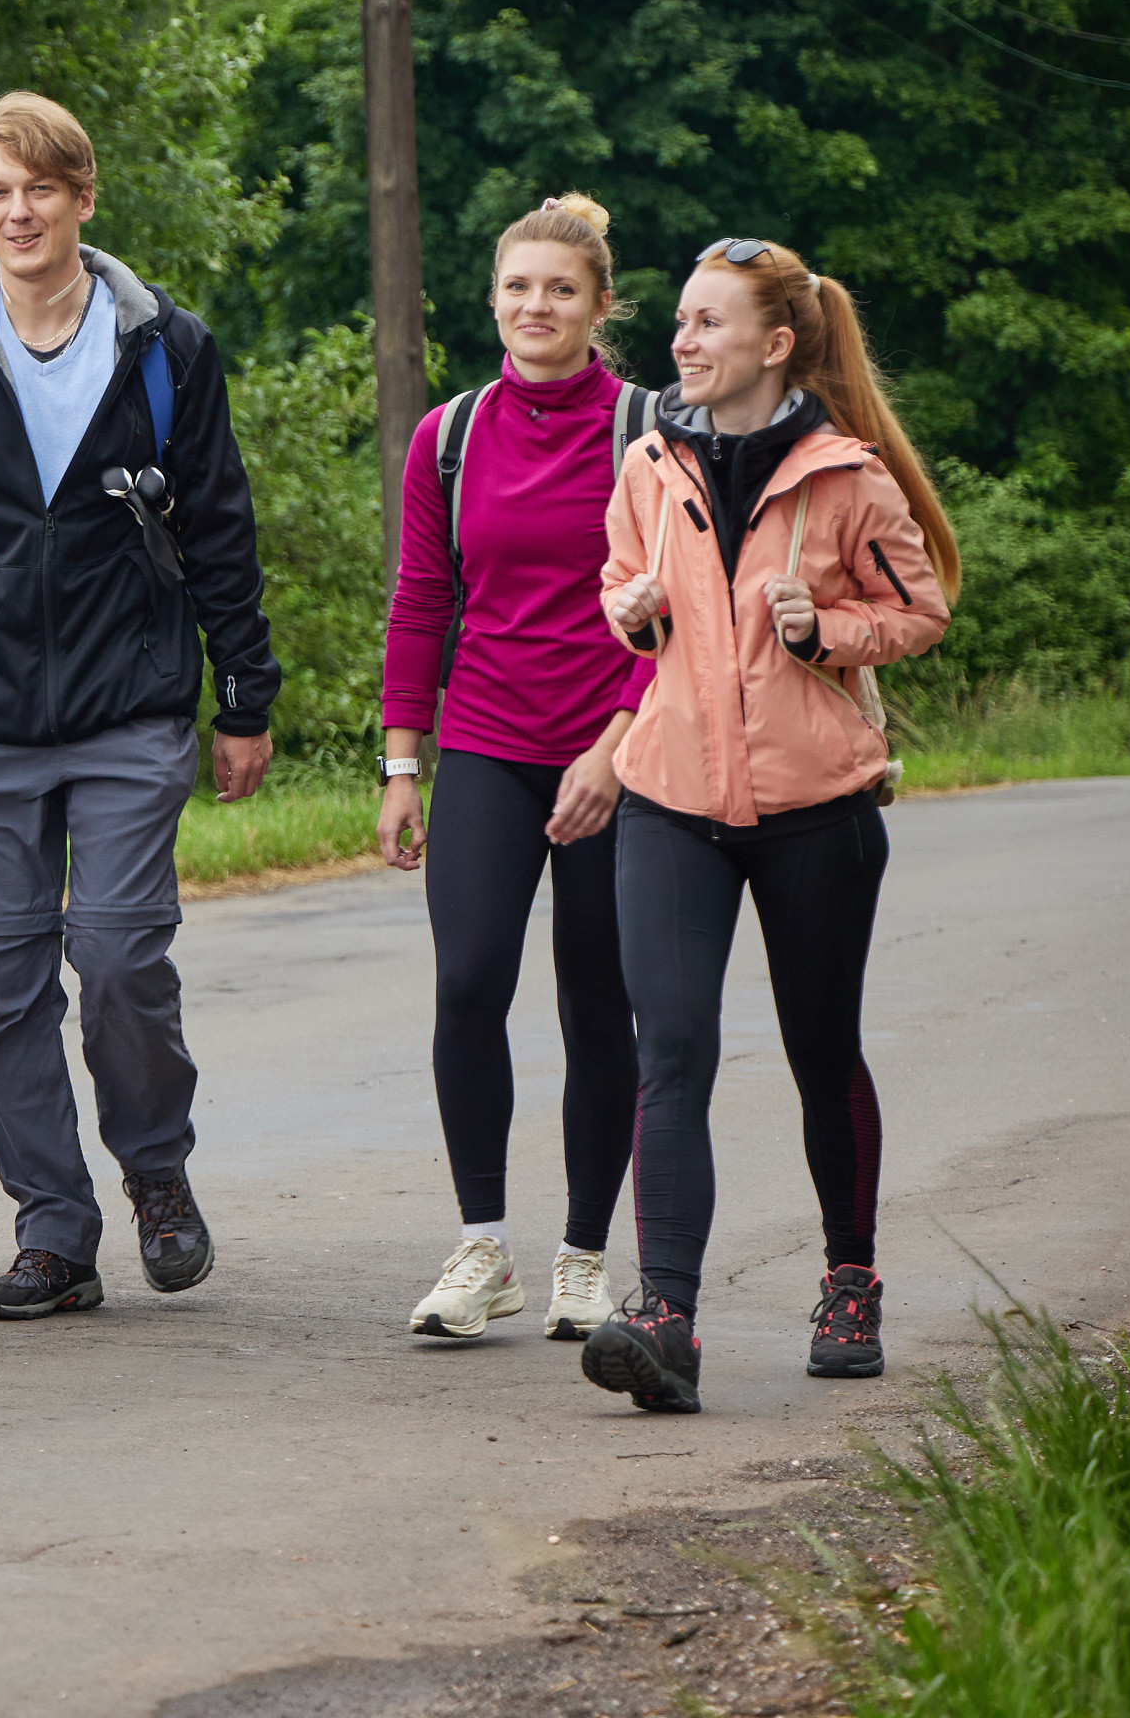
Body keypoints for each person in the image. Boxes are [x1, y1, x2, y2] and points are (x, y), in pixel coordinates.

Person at [0, 92, 280, 1321]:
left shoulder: (163, 346)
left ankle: (156, 1173)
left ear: (83, 195)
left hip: (131, 701)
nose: (17, 210)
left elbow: (222, 529)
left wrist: (245, 696)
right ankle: (52, 1228)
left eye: (39, 186)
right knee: (6, 984)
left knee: (120, 952)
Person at [583, 237, 956, 1413]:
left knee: (818, 1047)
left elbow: (921, 610)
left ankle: (851, 1279)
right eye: (681, 323)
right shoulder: (649, 462)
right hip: (671, 801)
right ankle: (668, 1320)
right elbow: (624, 594)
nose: (681, 342)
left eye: (706, 323)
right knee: (673, 1046)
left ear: (775, 342)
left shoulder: (845, 473)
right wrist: (631, 612)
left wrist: (824, 629)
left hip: (817, 809)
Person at [375, 194, 650, 1344]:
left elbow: (688, 609)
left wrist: (617, 749)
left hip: (617, 754)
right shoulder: (449, 437)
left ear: (598, 307)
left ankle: (585, 1258)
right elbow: (421, 605)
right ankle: (482, 1245)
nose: (536, 306)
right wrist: (402, 762)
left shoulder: (649, 428)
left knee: (598, 1005)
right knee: (468, 981)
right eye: (518, 288)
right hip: (486, 742)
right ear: (492, 301)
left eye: (561, 290)